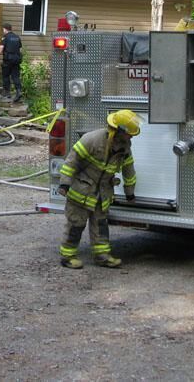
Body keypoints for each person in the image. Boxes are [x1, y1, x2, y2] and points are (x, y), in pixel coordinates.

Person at [56, 109, 141, 269]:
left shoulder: (125, 147)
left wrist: (130, 193)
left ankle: (102, 256)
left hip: (102, 194)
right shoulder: (92, 140)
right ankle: (67, 256)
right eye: (130, 133)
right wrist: (64, 184)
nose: (131, 136)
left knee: (100, 226)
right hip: (81, 191)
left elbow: (129, 171)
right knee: (76, 225)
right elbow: (71, 162)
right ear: (119, 130)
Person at [0, 23, 23, 101]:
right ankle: (19, 91)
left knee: (6, 76)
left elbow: (1, 47)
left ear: (5, 29)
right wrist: (19, 57)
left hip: (8, 60)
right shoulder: (17, 37)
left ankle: (7, 93)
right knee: (16, 76)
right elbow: (20, 49)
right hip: (16, 60)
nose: (3, 31)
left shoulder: (5, 37)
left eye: (3, 29)